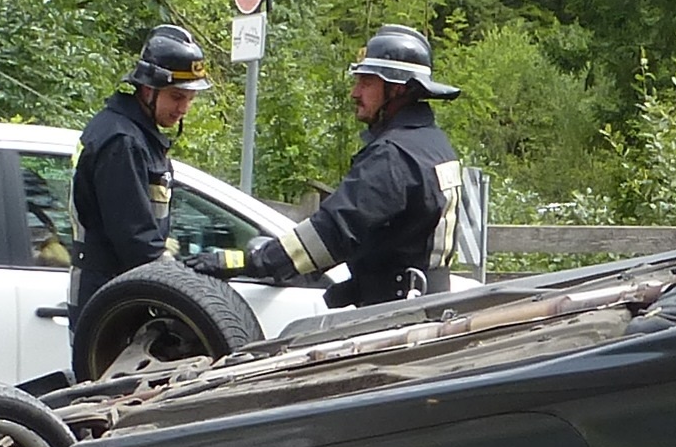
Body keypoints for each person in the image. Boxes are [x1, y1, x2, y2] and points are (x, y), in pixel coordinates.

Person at [236, 25, 465, 307]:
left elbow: (333, 232)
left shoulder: (393, 156)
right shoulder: (433, 143)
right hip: (426, 301)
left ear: (398, 89)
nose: (355, 93)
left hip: (393, 314)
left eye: (366, 83)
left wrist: (253, 261)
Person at [70, 24, 216, 307]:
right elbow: (136, 241)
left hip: (123, 287)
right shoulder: (122, 141)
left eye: (190, 99)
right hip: (110, 293)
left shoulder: (137, 135)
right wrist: (180, 282)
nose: (184, 108)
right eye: (176, 96)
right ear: (148, 89)